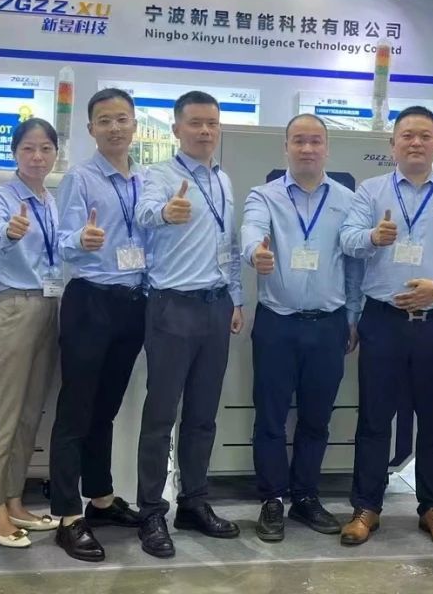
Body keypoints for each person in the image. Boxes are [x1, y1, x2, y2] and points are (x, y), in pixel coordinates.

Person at [339, 106, 433, 549]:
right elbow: (347, 240)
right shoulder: (370, 191)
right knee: (374, 419)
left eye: (425, 135)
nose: (416, 142)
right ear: (393, 145)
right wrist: (372, 238)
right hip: (383, 322)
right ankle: (366, 507)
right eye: (407, 135)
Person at [241, 114, 363, 542]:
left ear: (327, 148)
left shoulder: (348, 200)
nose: (307, 148)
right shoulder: (264, 196)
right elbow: (251, 232)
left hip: (329, 326)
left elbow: (354, 266)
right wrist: (255, 254)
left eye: (315, 141)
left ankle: (306, 496)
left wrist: (353, 316)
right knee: (271, 417)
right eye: (298, 141)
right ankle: (273, 499)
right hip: (277, 324)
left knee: (316, 418)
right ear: (286, 147)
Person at [135, 90, 244, 559]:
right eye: (195, 123)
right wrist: (164, 213)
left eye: (212, 123)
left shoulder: (224, 180)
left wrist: (236, 298)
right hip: (172, 307)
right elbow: (142, 215)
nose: (205, 131)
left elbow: (230, 246)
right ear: (176, 128)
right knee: (161, 416)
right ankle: (150, 511)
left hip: (216, 306)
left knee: (202, 415)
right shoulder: (159, 176)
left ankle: (194, 502)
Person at [49, 89, 150, 562]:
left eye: (122, 119)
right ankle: (68, 515)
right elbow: (61, 240)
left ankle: (102, 498)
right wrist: (82, 240)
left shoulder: (145, 180)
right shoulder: (80, 177)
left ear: (135, 126)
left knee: (105, 409)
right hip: (90, 301)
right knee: (76, 410)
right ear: (91, 129)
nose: (114, 127)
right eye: (104, 120)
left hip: (133, 303)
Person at [0, 118, 63, 549]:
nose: (37, 157)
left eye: (45, 149)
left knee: (29, 414)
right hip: (11, 307)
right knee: (3, 413)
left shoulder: (50, 200)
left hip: (48, 305)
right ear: (14, 153)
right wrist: (8, 232)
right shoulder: (2, 196)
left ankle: (13, 500)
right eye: (28, 148)